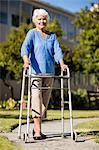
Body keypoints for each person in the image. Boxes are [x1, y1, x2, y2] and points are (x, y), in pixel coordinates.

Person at [21, 8, 67, 140]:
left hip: (49, 73)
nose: (42, 21)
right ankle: (37, 131)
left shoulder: (52, 36)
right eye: (39, 19)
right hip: (35, 73)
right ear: (35, 20)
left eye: (44, 19)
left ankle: (38, 128)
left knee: (44, 103)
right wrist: (26, 61)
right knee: (36, 98)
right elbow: (25, 47)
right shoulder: (32, 33)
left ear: (47, 20)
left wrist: (62, 63)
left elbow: (57, 51)